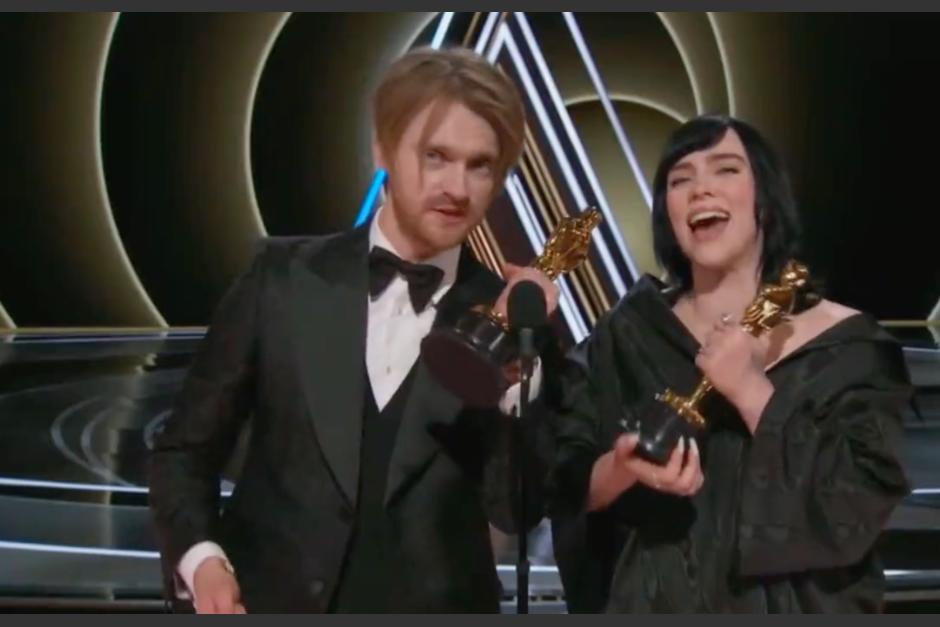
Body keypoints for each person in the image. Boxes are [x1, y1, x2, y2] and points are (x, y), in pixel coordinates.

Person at [148, 46, 560, 613]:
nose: (457, 188)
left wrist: (517, 375)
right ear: (382, 149)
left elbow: (516, 510)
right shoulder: (283, 279)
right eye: (435, 156)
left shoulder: (514, 319)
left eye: (480, 165)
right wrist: (201, 559)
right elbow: (183, 454)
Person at [548, 114, 912, 613]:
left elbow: (858, 501)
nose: (701, 190)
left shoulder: (846, 346)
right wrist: (622, 467)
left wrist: (750, 389)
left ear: (765, 195)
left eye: (725, 170)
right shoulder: (628, 335)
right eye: (681, 180)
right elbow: (563, 483)